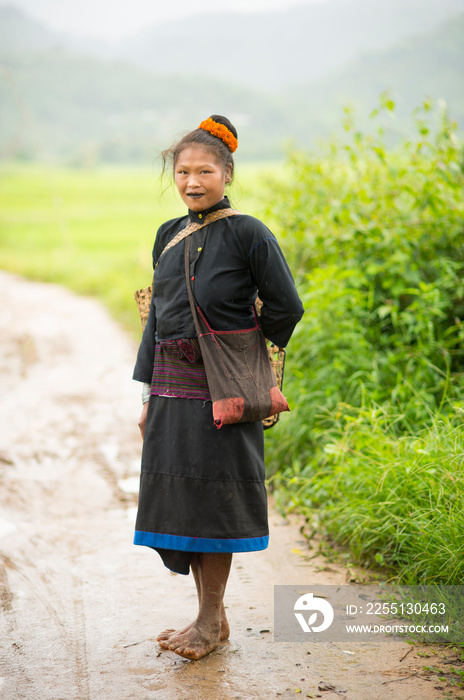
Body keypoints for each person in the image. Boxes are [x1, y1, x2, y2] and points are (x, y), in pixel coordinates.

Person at [133, 115, 304, 660]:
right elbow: (157, 319)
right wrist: (145, 396)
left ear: (227, 173)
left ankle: (208, 622)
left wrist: (248, 356)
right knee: (180, 499)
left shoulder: (249, 233)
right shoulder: (167, 234)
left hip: (224, 393)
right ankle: (213, 618)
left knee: (215, 500)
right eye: (182, 171)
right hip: (170, 389)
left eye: (204, 170)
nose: (192, 181)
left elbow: (287, 306)